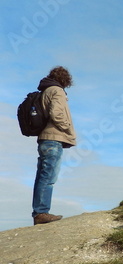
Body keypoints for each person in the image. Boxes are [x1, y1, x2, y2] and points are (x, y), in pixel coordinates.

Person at [32, 66, 76, 225]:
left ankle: (39, 212)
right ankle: (41, 212)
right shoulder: (57, 91)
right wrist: (67, 127)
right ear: (65, 80)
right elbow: (56, 114)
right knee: (48, 178)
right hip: (53, 139)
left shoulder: (45, 90)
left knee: (42, 176)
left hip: (45, 139)